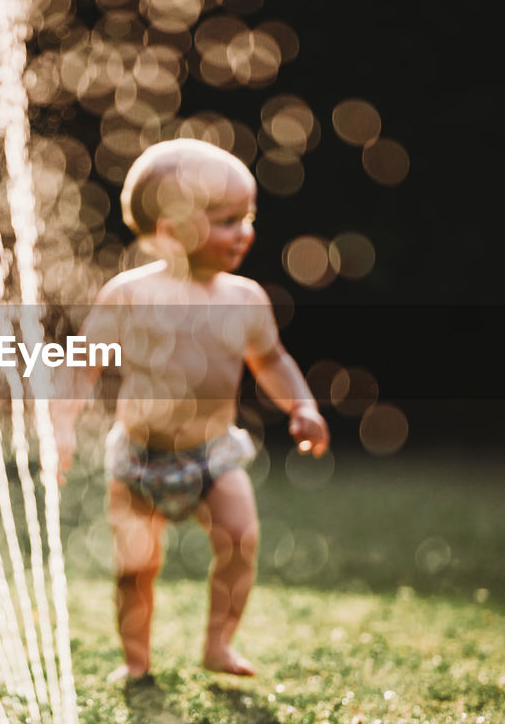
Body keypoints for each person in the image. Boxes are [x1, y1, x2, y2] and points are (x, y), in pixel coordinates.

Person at [53, 138, 329, 681]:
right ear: (172, 229)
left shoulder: (245, 299)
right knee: (136, 568)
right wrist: (61, 426)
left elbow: (271, 359)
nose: (244, 232)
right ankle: (137, 662)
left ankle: (218, 645)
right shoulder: (130, 295)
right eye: (227, 220)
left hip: (212, 455)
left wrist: (302, 405)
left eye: (246, 217)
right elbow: (82, 364)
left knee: (241, 540)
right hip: (138, 460)